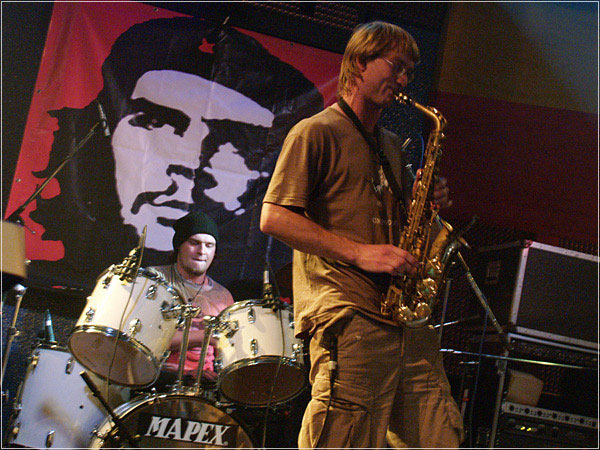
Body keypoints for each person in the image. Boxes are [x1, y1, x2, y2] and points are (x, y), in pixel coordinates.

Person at [260, 21, 464, 448]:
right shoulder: (316, 131)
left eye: (409, 72)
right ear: (359, 62)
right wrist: (359, 253)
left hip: (404, 317)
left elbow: (401, 227)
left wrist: (426, 200)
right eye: (396, 67)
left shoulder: (390, 145)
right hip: (349, 310)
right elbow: (274, 217)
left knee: (440, 435)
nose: (404, 81)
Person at [151, 210, 234, 385]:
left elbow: (227, 354)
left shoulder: (223, 296)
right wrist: (207, 336)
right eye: (194, 243)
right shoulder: (156, 279)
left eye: (209, 245)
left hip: (203, 385)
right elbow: (147, 337)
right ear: (179, 246)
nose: (202, 251)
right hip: (159, 379)